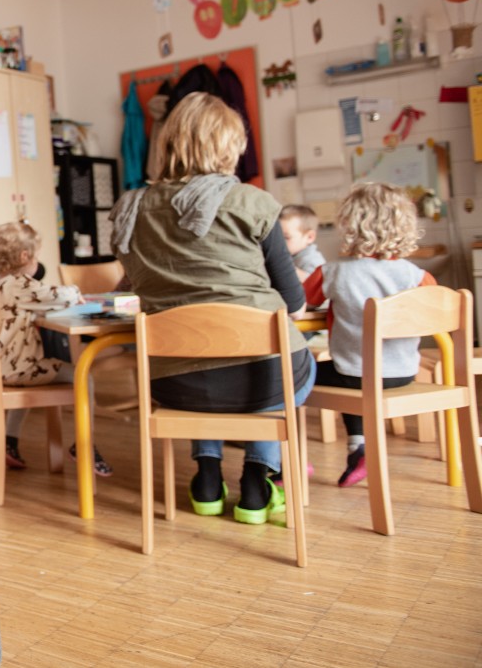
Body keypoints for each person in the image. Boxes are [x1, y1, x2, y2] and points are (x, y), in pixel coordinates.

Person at [109, 92, 315, 524]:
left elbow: (131, 289)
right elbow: (294, 302)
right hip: (262, 378)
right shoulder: (252, 202)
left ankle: (206, 474)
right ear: (229, 146)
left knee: (209, 366)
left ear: (167, 143)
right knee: (291, 368)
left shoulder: (131, 208)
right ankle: (257, 481)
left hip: (172, 382)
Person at [303, 182, 433, 488]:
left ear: (349, 224)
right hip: (403, 373)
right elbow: (434, 313)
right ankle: (357, 451)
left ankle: (287, 465)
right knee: (354, 373)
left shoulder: (334, 271)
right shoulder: (417, 275)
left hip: (354, 374)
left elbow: (303, 299)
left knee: (292, 376)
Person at [0, 221, 112, 477]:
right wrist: (74, 291)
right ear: (25, 256)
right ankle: (84, 446)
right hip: (19, 371)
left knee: (34, 370)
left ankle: (10, 440)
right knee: (84, 376)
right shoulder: (20, 284)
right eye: (36, 255)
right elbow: (60, 294)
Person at [280, 204, 325, 282]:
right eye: (277, 237)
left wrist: (281, 263)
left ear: (310, 237)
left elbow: (311, 283)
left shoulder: (313, 260)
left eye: (286, 237)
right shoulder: (290, 253)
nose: (279, 242)